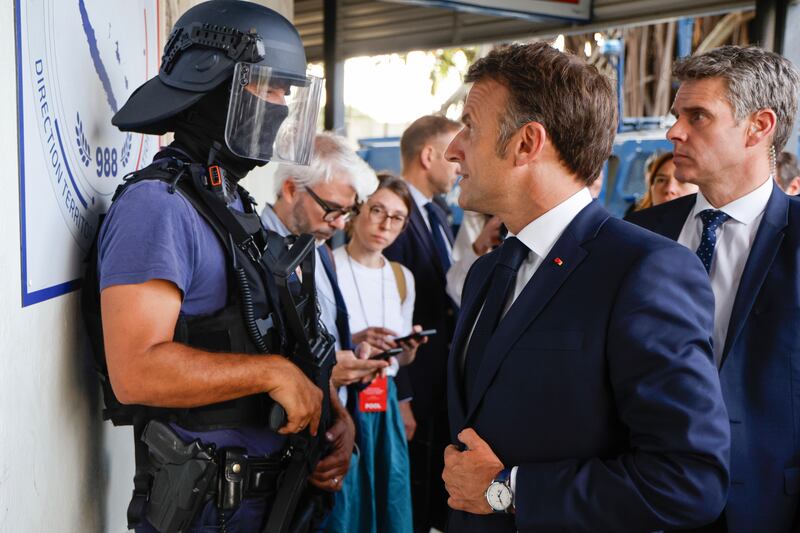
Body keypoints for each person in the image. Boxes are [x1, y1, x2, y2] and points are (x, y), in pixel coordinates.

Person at [84, 2, 356, 531]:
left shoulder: (230, 203)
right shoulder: (158, 206)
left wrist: (328, 413)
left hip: (274, 502)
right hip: (210, 511)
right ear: (214, 83)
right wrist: (273, 374)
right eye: (269, 89)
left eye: (286, 94)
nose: (280, 107)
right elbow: (136, 371)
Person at [440, 42, 730, 532]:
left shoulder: (646, 270)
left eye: (470, 126)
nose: (453, 148)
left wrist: (508, 490)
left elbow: (689, 480)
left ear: (527, 143)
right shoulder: (487, 273)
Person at [626, 45, 800, 533]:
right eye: (677, 114)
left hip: (768, 506)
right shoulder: (637, 234)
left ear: (758, 127)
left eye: (697, 116)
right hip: (643, 499)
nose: (673, 132)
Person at [327, 174, 426, 533]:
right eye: (377, 210)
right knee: (346, 502)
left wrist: (406, 350)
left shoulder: (402, 278)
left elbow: (400, 362)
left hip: (383, 400)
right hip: (341, 400)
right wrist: (353, 340)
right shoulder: (328, 267)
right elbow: (312, 343)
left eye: (396, 217)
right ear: (357, 212)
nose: (385, 223)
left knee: (390, 495)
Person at [383, 114, 461, 532]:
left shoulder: (439, 215)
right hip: (411, 381)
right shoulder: (394, 217)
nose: (460, 165)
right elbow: (388, 311)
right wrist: (402, 394)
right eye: (452, 156)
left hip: (439, 382)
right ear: (428, 155)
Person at [633, 152, 698, 211]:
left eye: (682, 180)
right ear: (652, 188)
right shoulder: (632, 220)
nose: (669, 189)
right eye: (661, 180)